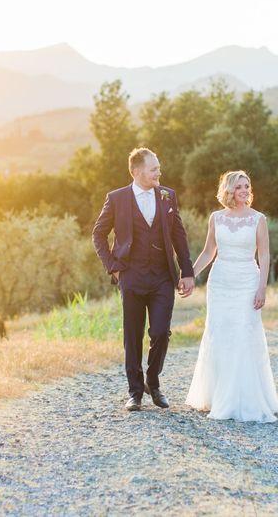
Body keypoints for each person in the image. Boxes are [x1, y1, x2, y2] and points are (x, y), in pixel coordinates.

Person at [92, 147, 195, 411]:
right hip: (131, 276)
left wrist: (187, 272)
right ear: (137, 172)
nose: (159, 172)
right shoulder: (116, 199)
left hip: (162, 276)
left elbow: (179, 236)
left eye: (158, 168)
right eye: (154, 169)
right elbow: (98, 234)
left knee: (161, 332)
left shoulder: (167, 196)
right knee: (132, 335)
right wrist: (113, 267)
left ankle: (153, 379)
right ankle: (135, 392)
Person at [185, 170, 278, 422]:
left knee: (242, 332)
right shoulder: (216, 218)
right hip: (219, 282)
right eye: (239, 186)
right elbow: (209, 252)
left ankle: (243, 399)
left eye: (247, 186)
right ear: (229, 190)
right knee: (219, 334)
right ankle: (217, 396)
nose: (244, 190)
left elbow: (264, 255)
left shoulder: (258, 219)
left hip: (247, 282)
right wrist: (190, 275)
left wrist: (262, 287)